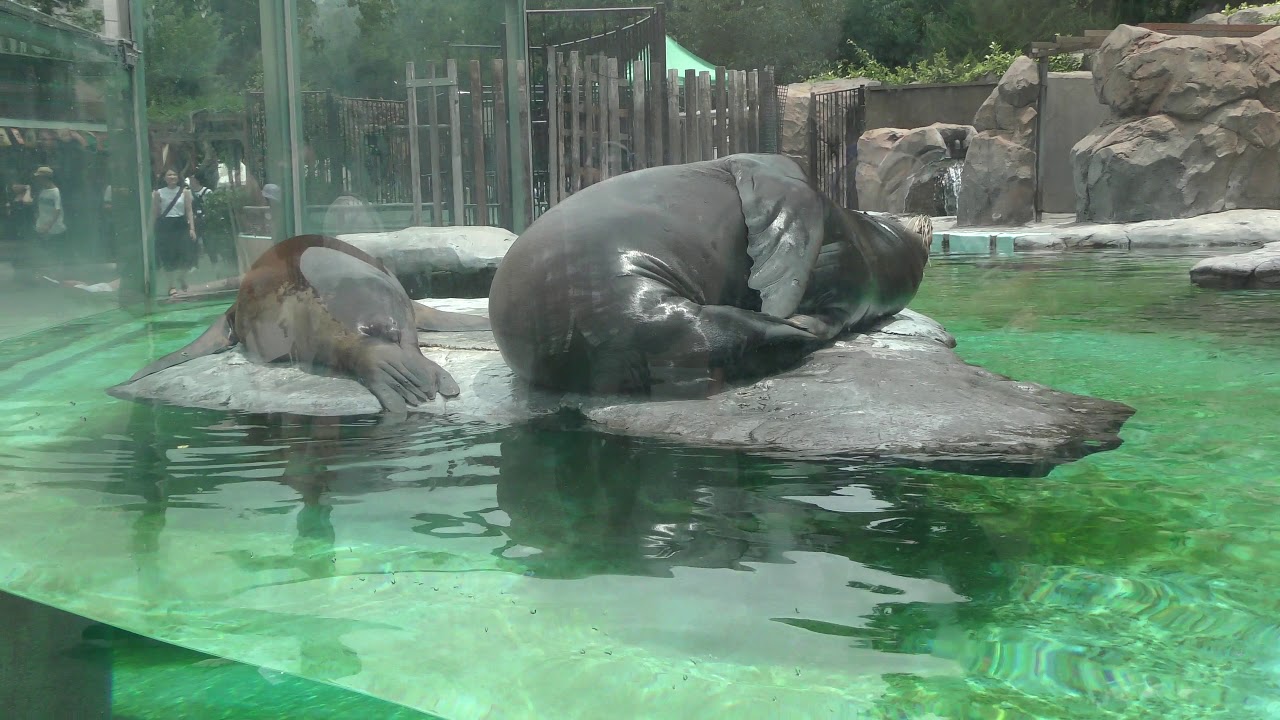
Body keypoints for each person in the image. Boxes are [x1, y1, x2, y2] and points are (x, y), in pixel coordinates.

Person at [152, 169, 197, 296]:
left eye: (174, 174)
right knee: (168, 257)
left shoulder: (185, 192)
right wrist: (150, 230)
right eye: (169, 174)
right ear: (164, 178)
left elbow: (189, 211)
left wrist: (192, 228)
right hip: (165, 226)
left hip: (181, 225)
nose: (172, 177)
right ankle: (171, 285)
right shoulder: (158, 193)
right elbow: (155, 212)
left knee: (186, 256)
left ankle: (182, 277)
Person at [32, 167, 67, 271]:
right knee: (44, 252)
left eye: (39, 177)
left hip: (54, 229)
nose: (37, 180)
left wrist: (48, 225)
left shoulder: (55, 191)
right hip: (41, 227)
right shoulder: (43, 190)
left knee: (54, 252)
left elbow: (57, 210)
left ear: (45, 178)